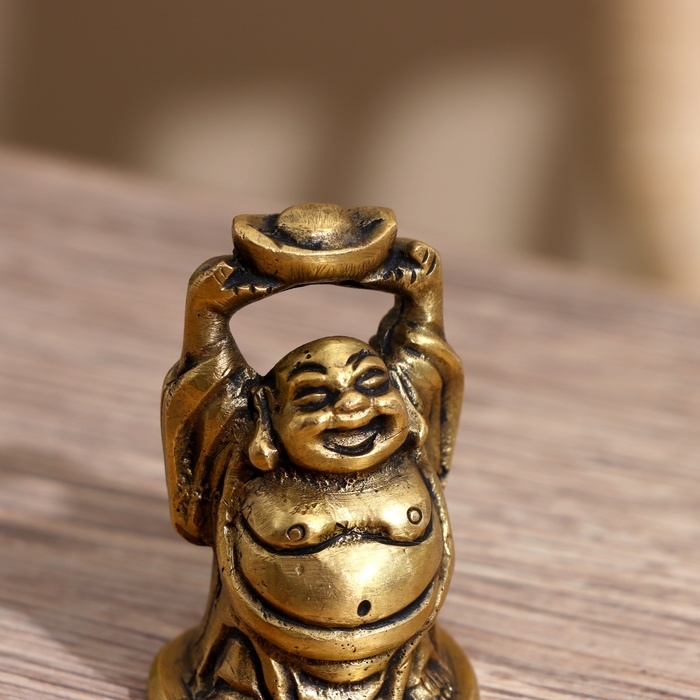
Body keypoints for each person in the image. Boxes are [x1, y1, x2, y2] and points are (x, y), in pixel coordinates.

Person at [156, 206, 467, 700]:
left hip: (404, 656)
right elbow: (206, 384)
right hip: (266, 658)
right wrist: (208, 311)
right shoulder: (245, 440)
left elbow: (424, 352)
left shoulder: (410, 434)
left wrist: (421, 292)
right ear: (266, 415)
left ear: (408, 399)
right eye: (314, 396)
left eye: (372, 383)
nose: (351, 405)